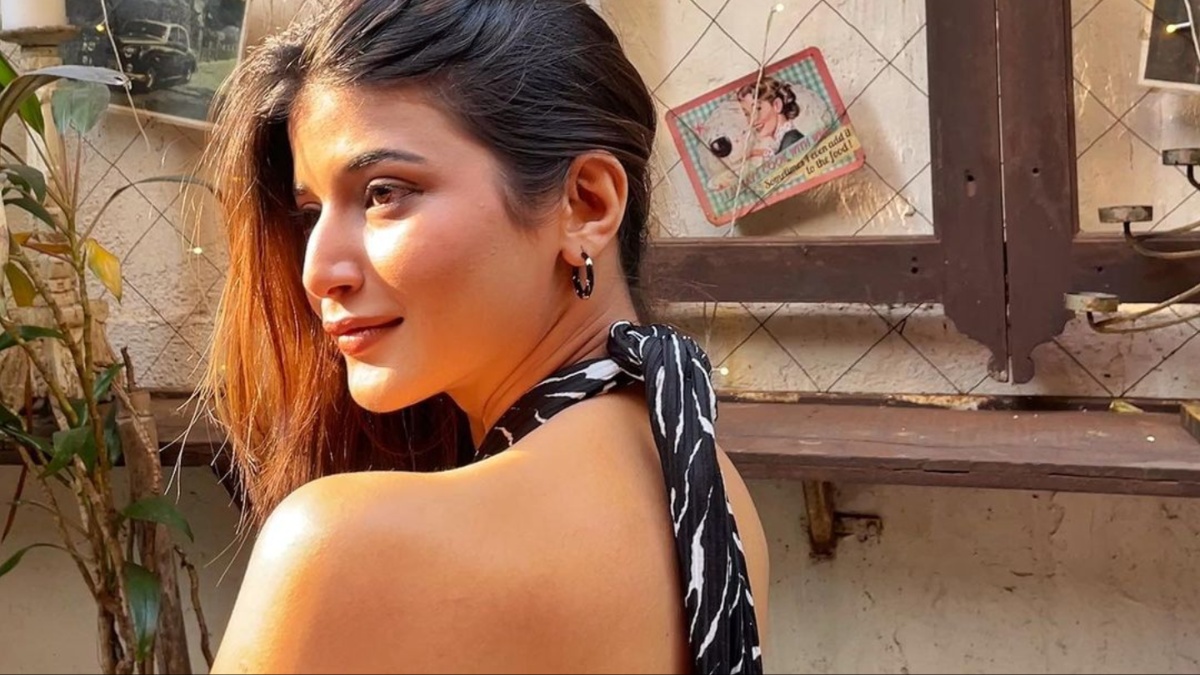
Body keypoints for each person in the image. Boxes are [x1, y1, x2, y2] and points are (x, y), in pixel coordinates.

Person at [204, 1, 769, 673]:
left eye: (384, 193)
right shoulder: (708, 488)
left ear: (586, 204)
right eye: (310, 212)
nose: (318, 271)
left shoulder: (340, 547)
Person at [738, 76, 835, 157]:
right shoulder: (784, 140)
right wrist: (756, 152)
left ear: (777, 105)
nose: (751, 121)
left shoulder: (791, 140)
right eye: (747, 114)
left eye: (757, 109)